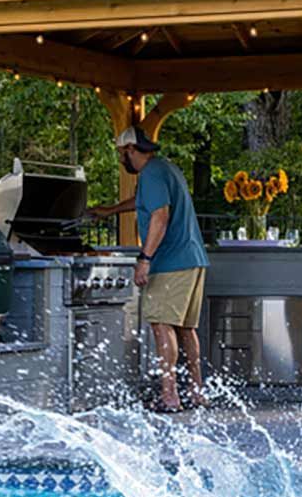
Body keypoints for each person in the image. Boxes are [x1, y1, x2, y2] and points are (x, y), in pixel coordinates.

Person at [88, 126, 210, 412]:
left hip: (170, 261)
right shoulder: (165, 169)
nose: (121, 160)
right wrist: (110, 210)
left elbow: (160, 216)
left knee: (160, 324)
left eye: (121, 154)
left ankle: (169, 396)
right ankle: (196, 391)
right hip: (193, 258)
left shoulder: (151, 174)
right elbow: (146, 202)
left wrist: (145, 258)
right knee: (186, 328)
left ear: (131, 150)